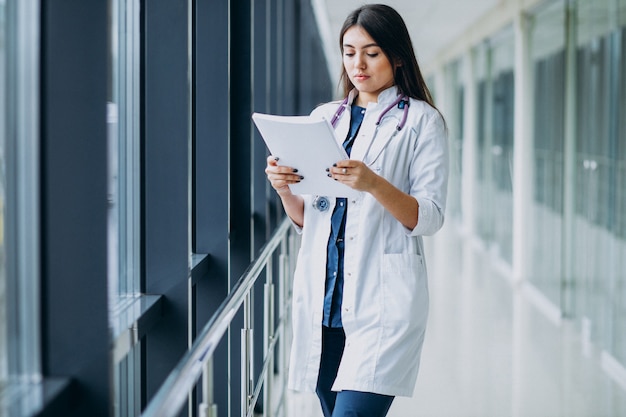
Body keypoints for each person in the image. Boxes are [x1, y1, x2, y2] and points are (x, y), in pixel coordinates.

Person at [264, 4, 448, 417]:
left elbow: (430, 216)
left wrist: (373, 184)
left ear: (396, 56)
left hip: (382, 304)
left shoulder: (421, 121)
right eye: (349, 52)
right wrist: (283, 189)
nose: (358, 64)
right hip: (325, 302)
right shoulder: (324, 118)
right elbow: (310, 217)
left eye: (371, 52)